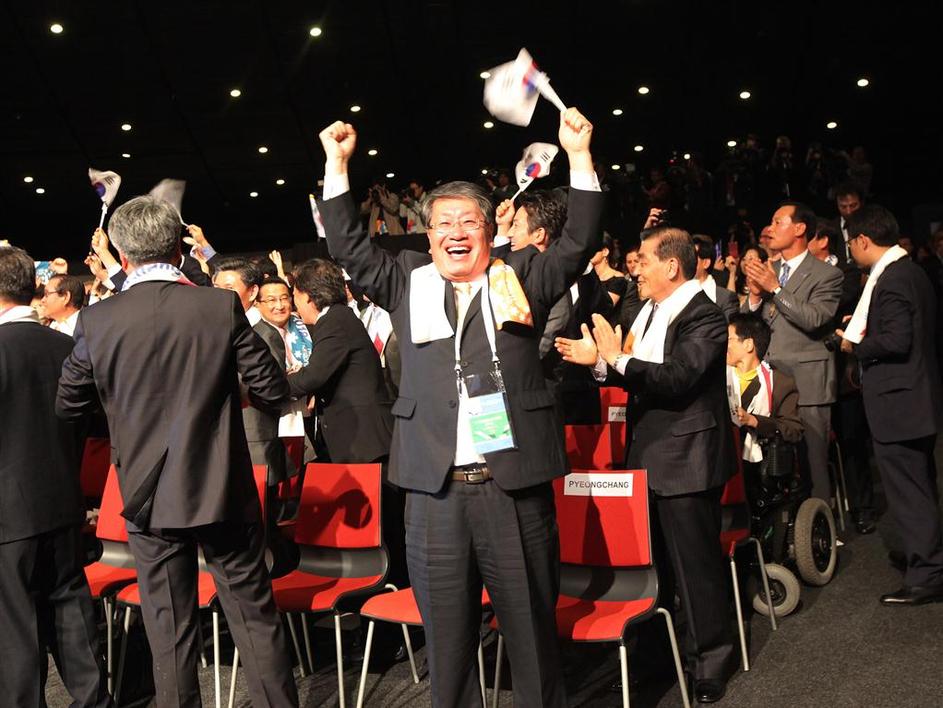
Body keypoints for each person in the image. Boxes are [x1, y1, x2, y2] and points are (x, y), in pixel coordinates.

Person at [316, 108, 602, 708]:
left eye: (469, 221)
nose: (456, 231)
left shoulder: (523, 274)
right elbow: (347, 245)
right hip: (434, 492)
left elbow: (579, 241)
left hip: (512, 488)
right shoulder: (406, 280)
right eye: (443, 222)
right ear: (428, 236)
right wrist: (336, 166)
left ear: (490, 231)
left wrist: (579, 157)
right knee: (446, 644)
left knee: (531, 638)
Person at [56, 196, 298, 708]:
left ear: (123, 257)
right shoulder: (218, 305)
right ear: (176, 250)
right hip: (221, 486)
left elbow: (68, 403)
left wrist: (122, 405)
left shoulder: (98, 320)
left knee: (169, 627)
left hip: (145, 494)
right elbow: (274, 390)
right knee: (254, 617)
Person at [556, 227, 737, 704]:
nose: (635, 270)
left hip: (687, 460)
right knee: (653, 568)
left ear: (672, 266)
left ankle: (710, 662)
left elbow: (677, 378)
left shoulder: (705, 315)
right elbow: (633, 374)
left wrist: (616, 359)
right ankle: (656, 659)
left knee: (695, 569)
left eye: (643, 261)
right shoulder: (648, 310)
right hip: (647, 455)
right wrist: (599, 363)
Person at [0, 247, 110, 708]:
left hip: (8, 516)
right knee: (71, 612)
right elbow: (95, 425)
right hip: (63, 500)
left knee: (15, 631)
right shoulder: (68, 349)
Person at [837, 205, 943, 605]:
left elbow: (897, 341)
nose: (850, 250)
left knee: (910, 490)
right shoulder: (910, 271)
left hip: (900, 403)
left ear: (863, 240)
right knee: (919, 485)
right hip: (914, 397)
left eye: (851, 243)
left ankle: (927, 574)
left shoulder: (893, 278)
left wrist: (855, 345)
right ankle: (925, 555)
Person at [743, 202, 842, 503]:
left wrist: (775, 289)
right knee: (770, 460)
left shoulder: (827, 274)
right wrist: (754, 299)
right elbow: (747, 326)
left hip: (808, 379)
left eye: (778, 222)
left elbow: (814, 319)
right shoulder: (768, 270)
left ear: (800, 228)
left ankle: (820, 522)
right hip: (772, 378)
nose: (770, 228)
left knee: (813, 461)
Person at [725, 313, 803, 504]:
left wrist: (754, 421)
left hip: (758, 464)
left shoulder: (779, 383)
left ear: (748, 345)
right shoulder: (718, 378)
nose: (724, 345)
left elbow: (793, 430)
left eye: (729, 339)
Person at [692, 234, 739, 321]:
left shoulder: (725, 297)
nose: (687, 261)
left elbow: (731, 327)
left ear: (706, 263)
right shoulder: (678, 291)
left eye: (693, 257)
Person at [834, 182, 864, 263]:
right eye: (843, 207)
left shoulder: (872, 225)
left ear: (861, 203)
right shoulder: (832, 228)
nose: (848, 211)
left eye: (853, 206)